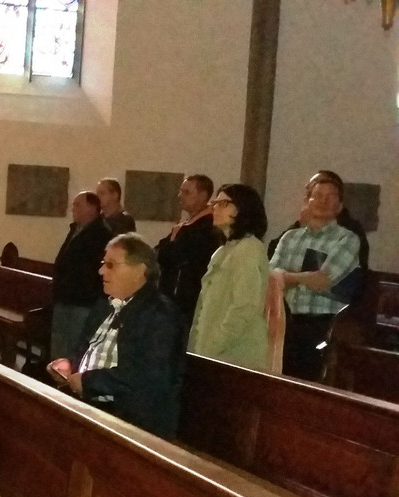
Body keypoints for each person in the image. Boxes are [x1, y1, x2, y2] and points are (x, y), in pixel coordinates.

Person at [50, 233, 185, 439]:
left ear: (139, 270)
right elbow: (86, 349)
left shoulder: (160, 315)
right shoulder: (104, 305)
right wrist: (70, 365)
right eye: (103, 263)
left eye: (111, 265)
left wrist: (88, 382)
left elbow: (148, 376)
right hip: (93, 407)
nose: (101, 271)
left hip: (131, 422)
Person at [270, 171, 360, 381]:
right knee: (278, 381)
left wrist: (287, 275)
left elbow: (322, 281)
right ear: (307, 201)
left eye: (330, 196)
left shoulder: (347, 239)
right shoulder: (290, 237)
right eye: (317, 195)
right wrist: (304, 277)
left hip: (323, 326)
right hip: (286, 321)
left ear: (339, 205)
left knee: (310, 384)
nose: (323, 201)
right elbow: (271, 277)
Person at [189, 184, 270, 371]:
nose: (215, 208)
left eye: (223, 203)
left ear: (243, 208)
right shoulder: (222, 251)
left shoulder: (249, 249)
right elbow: (205, 305)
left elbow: (244, 307)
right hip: (212, 351)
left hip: (236, 354)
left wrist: (213, 345)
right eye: (215, 203)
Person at [51, 191, 114, 359]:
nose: (73, 209)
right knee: (59, 346)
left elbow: (91, 268)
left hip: (83, 302)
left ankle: (70, 375)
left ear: (92, 209)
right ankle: (56, 374)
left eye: (78, 205)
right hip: (65, 297)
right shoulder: (76, 229)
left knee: (75, 347)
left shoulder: (102, 234)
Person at [155, 174, 221, 321]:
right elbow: (158, 251)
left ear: (203, 196)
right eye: (181, 191)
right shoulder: (187, 225)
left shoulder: (206, 227)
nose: (180, 196)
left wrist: (172, 240)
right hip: (174, 299)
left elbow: (170, 256)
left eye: (186, 192)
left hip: (187, 303)